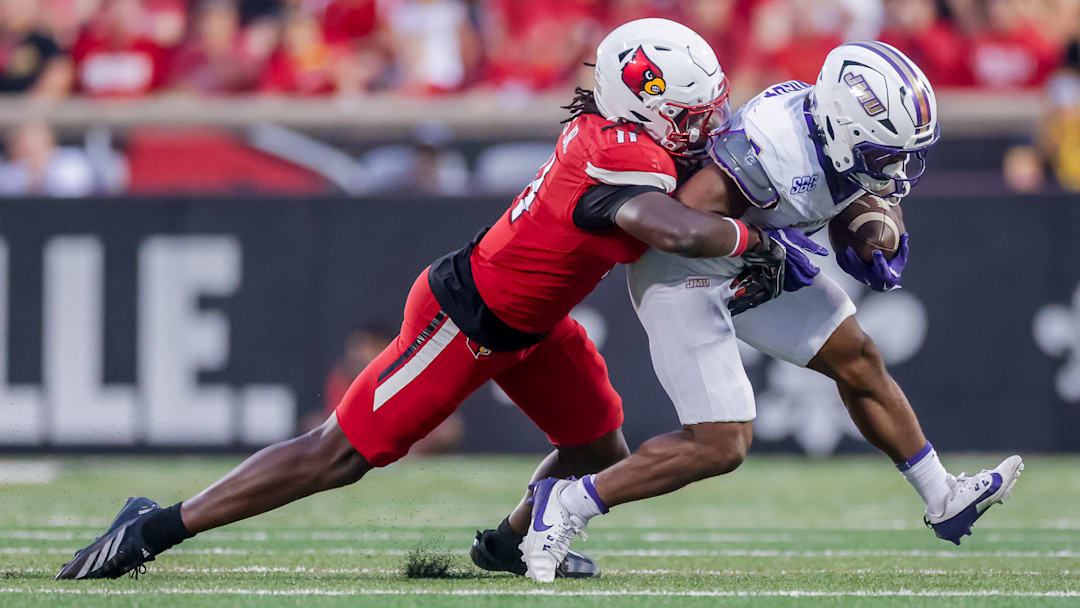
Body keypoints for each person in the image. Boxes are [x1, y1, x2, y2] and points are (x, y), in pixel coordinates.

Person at [55, 18, 787, 580]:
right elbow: (675, 229)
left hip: (535, 325)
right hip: (466, 320)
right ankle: (151, 528)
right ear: (640, 105)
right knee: (337, 455)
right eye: (689, 113)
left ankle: (510, 544)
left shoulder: (630, 137)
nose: (704, 126)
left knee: (598, 448)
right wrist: (756, 240)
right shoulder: (618, 157)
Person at [517, 41, 1025, 583]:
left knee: (857, 356)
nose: (898, 170)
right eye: (886, 154)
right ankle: (567, 504)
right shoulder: (774, 146)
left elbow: (855, 188)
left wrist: (858, 219)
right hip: (683, 267)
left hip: (753, 256)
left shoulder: (832, 133)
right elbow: (686, 219)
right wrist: (761, 248)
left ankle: (941, 495)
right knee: (720, 442)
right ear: (845, 130)